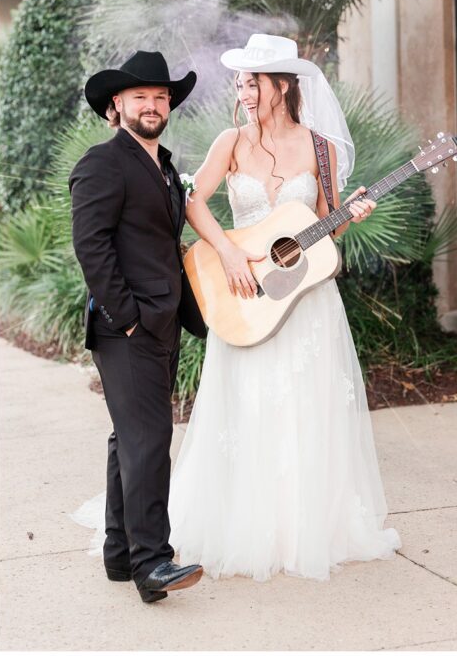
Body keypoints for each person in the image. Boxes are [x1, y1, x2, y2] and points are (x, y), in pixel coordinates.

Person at [169, 33, 402, 581]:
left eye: (253, 82)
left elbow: (327, 220)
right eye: (241, 82)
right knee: (247, 408)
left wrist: (354, 212)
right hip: (245, 293)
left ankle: (302, 529)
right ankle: (244, 526)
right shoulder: (230, 142)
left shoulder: (320, 147)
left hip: (306, 302)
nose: (243, 91)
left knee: (304, 409)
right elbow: (190, 200)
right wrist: (227, 252)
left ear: (282, 85)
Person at [69, 51, 207, 604]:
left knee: (130, 437)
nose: (153, 105)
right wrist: (127, 319)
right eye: (140, 97)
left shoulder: (164, 166)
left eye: (161, 97)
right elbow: (91, 246)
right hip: (128, 327)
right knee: (150, 440)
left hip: (164, 320)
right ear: (115, 107)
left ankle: (120, 553)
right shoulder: (104, 163)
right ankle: (153, 563)